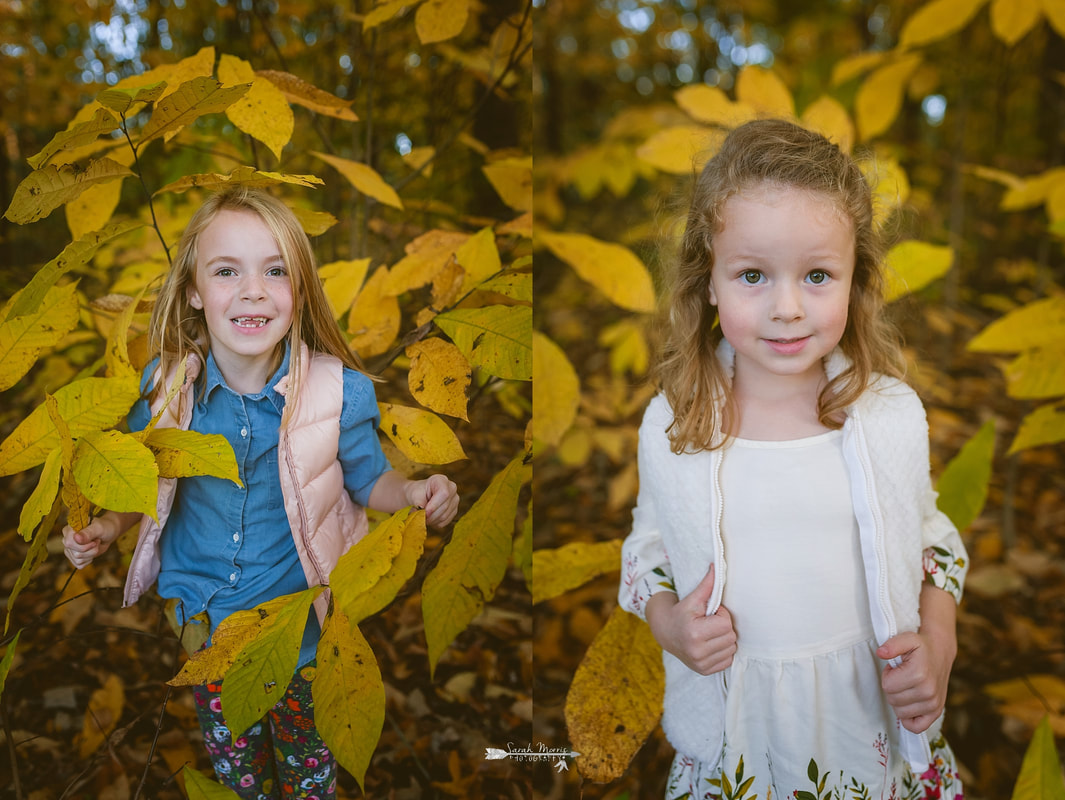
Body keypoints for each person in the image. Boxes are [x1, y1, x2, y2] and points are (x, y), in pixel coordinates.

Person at [62, 187, 459, 800]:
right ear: (194, 290)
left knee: (308, 776)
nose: (253, 290)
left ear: (298, 290)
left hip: (302, 632)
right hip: (209, 629)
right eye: (227, 271)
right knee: (241, 775)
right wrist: (108, 529)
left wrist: (414, 491)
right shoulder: (166, 389)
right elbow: (147, 479)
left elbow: (368, 479)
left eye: (275, 271)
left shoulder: (338, 393)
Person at [618, 119, 968, 798]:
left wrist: (939, 637)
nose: (786, 308)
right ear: (709, 283)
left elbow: (934, 539)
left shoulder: (887, 415)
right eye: (752, 275)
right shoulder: (674, 423)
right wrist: (667, 624)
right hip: (738, 729)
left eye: (815, 275)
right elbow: (647, 544)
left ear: (852, 279)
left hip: (863, 720)